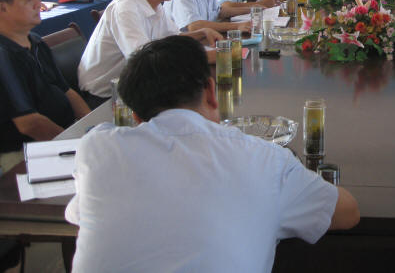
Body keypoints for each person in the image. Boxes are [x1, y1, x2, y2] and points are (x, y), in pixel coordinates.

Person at [66, 35, 360, 272]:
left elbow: (82, 215)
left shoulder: (96, 149)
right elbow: (347, 212)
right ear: (211, 91)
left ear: (136, 116)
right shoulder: (263, 159)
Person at [78, 0, 223, 104]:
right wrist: (203, 56)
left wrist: (202, 32)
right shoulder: (125, 8)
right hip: (105, 96)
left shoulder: (154, 4)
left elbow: (174, 39)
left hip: (139, 86)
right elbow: (144, 61)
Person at [0, 0, 90, 172]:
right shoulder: (4, 54)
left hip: (60, 135)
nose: (38, 4)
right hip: (23, 152)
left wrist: (92, 129)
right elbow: (29, 124)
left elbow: (66, 90)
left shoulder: (36, 42)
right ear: (2, 8)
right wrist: (73, 145)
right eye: (28, 0)